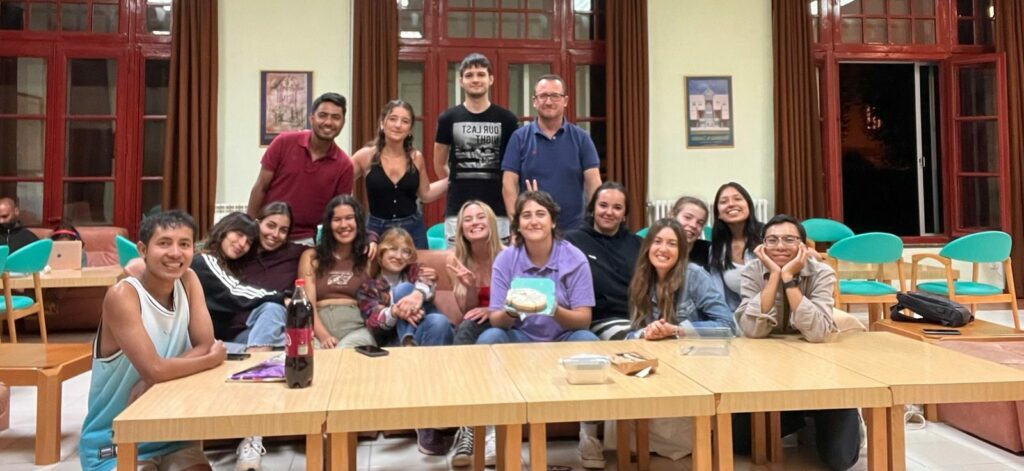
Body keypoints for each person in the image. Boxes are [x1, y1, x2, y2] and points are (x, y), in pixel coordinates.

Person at [80, 210, 226, 471]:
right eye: (164, 243)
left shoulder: (189, 280)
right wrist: (210, 360)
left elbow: (204, 344)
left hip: (171, 436)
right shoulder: (123, 295)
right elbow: (156, 369)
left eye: (184, 244)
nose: (175, 253)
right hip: (115, 440)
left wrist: (156, 378)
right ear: (143, 250)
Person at [476, 191, 600, 467]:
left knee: (588, 340)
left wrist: (554, 309)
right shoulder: (506, 260)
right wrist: (511, 310)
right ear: (518, 225)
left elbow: (584, 319)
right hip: (521, 337)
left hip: (563, 337)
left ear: (553, 222)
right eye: (526, 215)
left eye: (540, 214)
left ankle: (589, 435)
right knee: (490, 338)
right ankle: (493, 432)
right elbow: (496, 319)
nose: (533, 221)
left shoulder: (574, 258)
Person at [733, 214, 860, 471]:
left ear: (803, 245)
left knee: (841, 459)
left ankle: (813, 418)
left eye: (789, 239)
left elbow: (817, 333)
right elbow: (752, 330)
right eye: (772, 240)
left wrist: (789, 279)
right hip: (768, 370)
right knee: (739, 442)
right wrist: (773, 276)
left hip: (817, 371)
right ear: (762, 245)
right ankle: (798, 418)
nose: (780, 246)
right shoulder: (753, 272)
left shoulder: (822, 273)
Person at [356, 227, 453, 455]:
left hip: (427, 333)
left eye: (405, 251)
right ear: (380, 252)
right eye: (392, 249)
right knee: (424, 307)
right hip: (392, 342)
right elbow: (374, 322)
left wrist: (416, 296)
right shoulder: (369, 286)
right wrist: (396, 312)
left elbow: (427, 286)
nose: (399, 256)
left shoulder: (416, 271)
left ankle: (411, 345)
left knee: (434, 317)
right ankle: (429, 423)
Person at [434, 53, 520, 247]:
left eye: (481, 74)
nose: (475, 79)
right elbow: (439, 163)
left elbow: (513, 169)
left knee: (499, 264)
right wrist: (456, 183)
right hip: (458, 211)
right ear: (461, 81)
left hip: (498, 211)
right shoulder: (447, 118)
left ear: (491, 79)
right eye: (469, 75)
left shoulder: (507, 120)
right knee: (458, 263)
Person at [444, 200, 505, 467]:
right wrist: (469, 286)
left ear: (491, 222)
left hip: (507, 320)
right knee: (466, 329)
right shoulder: (455, 260)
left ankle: (483, 429)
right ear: (461, 228)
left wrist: (492, 311)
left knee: (476, 332)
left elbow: (519, 300)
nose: (474, 223)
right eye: (467, 219)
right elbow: (467, 310)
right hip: (476, 321)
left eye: (480, 217)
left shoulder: (507, 255)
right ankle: (467, 428)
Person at [247, 92, 353, 244]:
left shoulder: (345, 165)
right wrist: (249, 229)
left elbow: (338, 212)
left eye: (336, 117)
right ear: (312, 118)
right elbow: (261, 187)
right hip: (268, 231)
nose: (328, 122)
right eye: (322, 115)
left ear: (343, 122)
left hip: (306, 239)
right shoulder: (283, 142)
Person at [501, 74, 602, 231]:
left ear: (565, 101)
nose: (548, 102)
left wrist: (594, 226)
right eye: (543, 96)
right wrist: (516, 226)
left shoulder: (581, 138)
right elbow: (509, 185)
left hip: (575, 231)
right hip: (533, 229)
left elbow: (594, 185)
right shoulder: (519, 138)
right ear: (534, 101)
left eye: (555, 96)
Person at [352, 100, 447, 249]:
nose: (398, 125)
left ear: (410, 129)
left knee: (419, 265)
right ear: (382, 124)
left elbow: (425, 194)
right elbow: (339, 181)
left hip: (413, 230)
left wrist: (453, 179)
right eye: (392, 119)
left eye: (405, 121)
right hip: (376, 232)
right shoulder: (365, 156)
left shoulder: (416, 157)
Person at [191, 212, 286, 352]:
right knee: (275, 309)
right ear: (224, 230)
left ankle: (257, 356)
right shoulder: (203, 259)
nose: (242, 244)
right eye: (239, 234)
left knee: (276, 317)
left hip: (226, 341)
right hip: (202, 345)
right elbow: (234, 291)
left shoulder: (229, 267)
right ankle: (257, 359)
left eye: (248, 242)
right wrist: (282, 297)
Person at [625, 218, 734, 340]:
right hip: (655, 349)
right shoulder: (641, 278)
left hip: (692, 349)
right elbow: (632, 333)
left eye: (672, 244)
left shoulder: (695, 276)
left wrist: (677, 330)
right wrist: (646, 333)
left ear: (681, 251)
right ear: (648, 247)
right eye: (657, 241)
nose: (663, 249)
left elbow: (728, 326)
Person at [565, 181, 641, 341]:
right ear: (593, 208)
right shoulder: (572, 242)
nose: (609, 212)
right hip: (599, 320)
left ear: (624, 215)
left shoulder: (638, 244)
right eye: (603, 205)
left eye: (617, 208)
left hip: (639, 318)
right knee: (637, 340)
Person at [297, 195, 375, 349]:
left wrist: (374, 239)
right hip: (316, 329)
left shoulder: (368, 257)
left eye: (349, 218)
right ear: (328, 225)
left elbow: (397, 253)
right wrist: (324, 336)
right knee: (308, 353)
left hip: (356, 328)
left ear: (358, 222)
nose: (343, 225)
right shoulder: (311, 257)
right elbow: (307, 305)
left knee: (344, 352)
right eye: (337, 219)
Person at [708, 182, 763, 311]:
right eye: (724, 201)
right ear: (718, 213)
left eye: (737, 199)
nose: (731, 204)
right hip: (743, 315)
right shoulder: (717, 249)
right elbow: (720, 295)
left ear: (748, 206)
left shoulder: (768, 236)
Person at [671, 196, 711, 271]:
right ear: (673, 216)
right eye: (688, 217)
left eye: (700, 223)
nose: (693, 225)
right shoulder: (656, 248)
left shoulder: (710, 251)